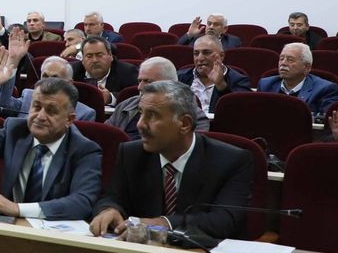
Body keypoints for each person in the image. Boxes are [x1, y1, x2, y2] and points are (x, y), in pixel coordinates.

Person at [90, 81, 253, 243]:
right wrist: (108, 210)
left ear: (184, 124)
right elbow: (111, 197)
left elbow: (224, 221)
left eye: (152, 115)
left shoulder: (231, 161)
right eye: (140, 113)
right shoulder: (131, 153)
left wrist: (163, 224)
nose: (140, 124)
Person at [0, 47, 102, 219]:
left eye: (51, 110)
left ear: (69, 119)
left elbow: (82, 202)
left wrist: (18, 209)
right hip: (8, 227)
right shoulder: (15, 131)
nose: (40, 116)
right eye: (36, 107)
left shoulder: (85, 150)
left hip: (54, 231)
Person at [109, 57, 209, 140]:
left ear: (170, 84)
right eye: (139, 81)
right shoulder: (126, 105)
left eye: (148, 81)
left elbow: (192, 148)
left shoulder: (194, 116)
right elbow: (106, 136)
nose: (139, 87)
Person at [0, 52, 98, 122]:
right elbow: (2, 101)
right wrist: (12, 63)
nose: (48, 81)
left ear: (69, 83)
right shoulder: (28, 96)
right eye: (45, 76)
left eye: (55, 78)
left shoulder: (85, 113)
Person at [258, 43, 338, 116]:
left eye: (290, 60)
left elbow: (328, 122)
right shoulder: (265, 84)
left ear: (306, 67)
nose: (283, 63)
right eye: (281, 58)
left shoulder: (326, 89)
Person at [176, 35, 251, 113]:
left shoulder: (239, 80)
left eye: (206, 53)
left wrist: (221, 85)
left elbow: (242, 110)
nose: (200, 58)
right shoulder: (180, 77)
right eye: (196, 53)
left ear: (221, 56)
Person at [70, 35, 139, 108]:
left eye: (99, 55)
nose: (95, 60)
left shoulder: (127, 71)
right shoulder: (71, 71)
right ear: (83, 60)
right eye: (89, 56)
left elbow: (134, 96)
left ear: (110, 56)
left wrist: (110, 97)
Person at [177, 14, 242, 49]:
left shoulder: (232, 41)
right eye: (209, 23)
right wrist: (189, 34)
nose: (211, 27)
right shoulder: (195, 39)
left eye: (216, 24)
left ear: (224, 29)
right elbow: (177, 49)